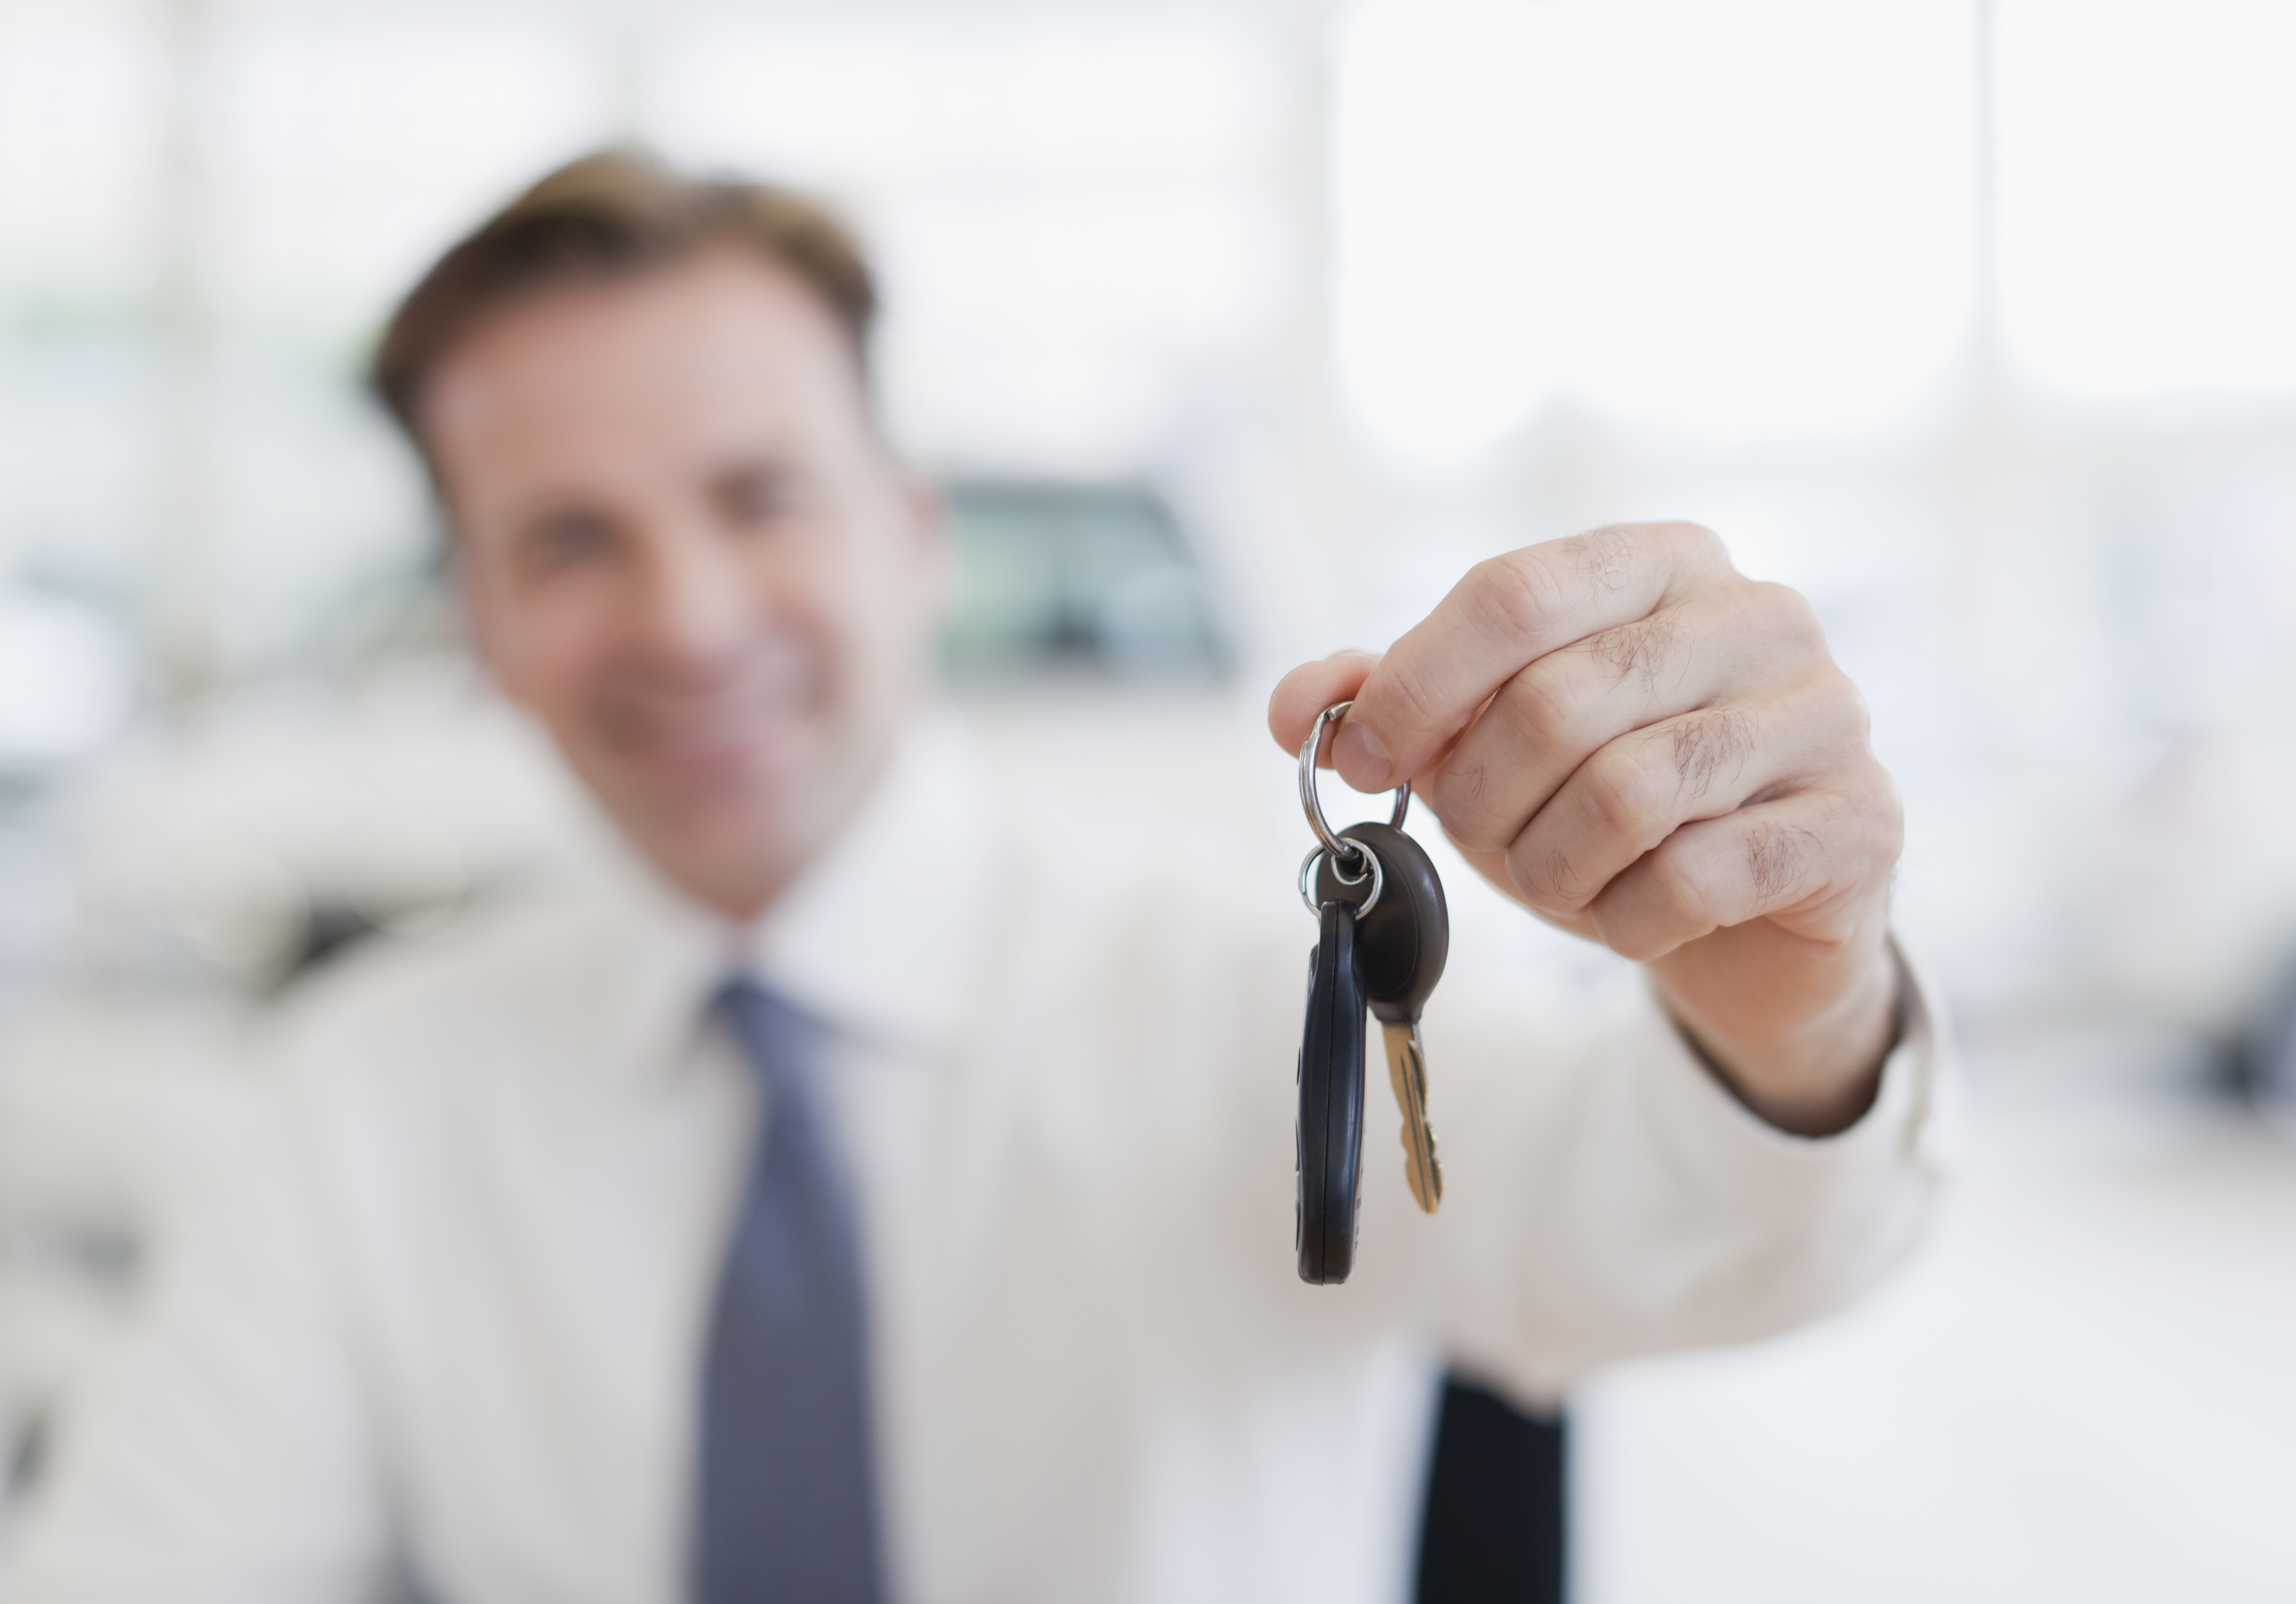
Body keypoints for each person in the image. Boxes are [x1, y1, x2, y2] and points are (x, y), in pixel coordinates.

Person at [0, 152, 1950, 1603]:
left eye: (759, 497)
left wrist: (1789, 995)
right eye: (568, 541)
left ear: (913, 536)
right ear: (481, 624)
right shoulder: (361, 1101)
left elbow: (1703, 1226)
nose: (684, 617)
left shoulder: (1231, 987)